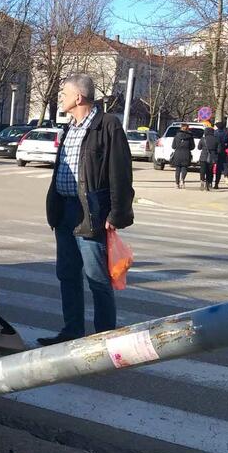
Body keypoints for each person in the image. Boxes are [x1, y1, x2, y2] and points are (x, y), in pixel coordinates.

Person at [37, 73, 134, 347]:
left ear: (78, 97)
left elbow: (121, 172)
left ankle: (104, 337)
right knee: (67, 274)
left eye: (64, 94)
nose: (61, 98)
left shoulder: (107, 125)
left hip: (91, 212)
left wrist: (117, 213)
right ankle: (72, 331)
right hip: (65, 211)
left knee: (97, 278)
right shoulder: (69, 127)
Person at [170, 123, 195, 189]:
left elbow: (173, 146)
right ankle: (182, 180)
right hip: (186, 154)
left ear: (181, 128)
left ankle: (176, 184)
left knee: (177, 169)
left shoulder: (176, 136)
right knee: (184, 168)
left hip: (177, 154)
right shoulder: (190, 137)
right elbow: (192, 147)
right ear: (187, 128)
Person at [213, 121, 228, 188]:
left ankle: (213, 183)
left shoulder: (214, 133)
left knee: (215, 168)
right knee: (222, 167)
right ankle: (220, 181)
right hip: (223, 152)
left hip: (215, 152)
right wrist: (224, 147)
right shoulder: (226, 134)